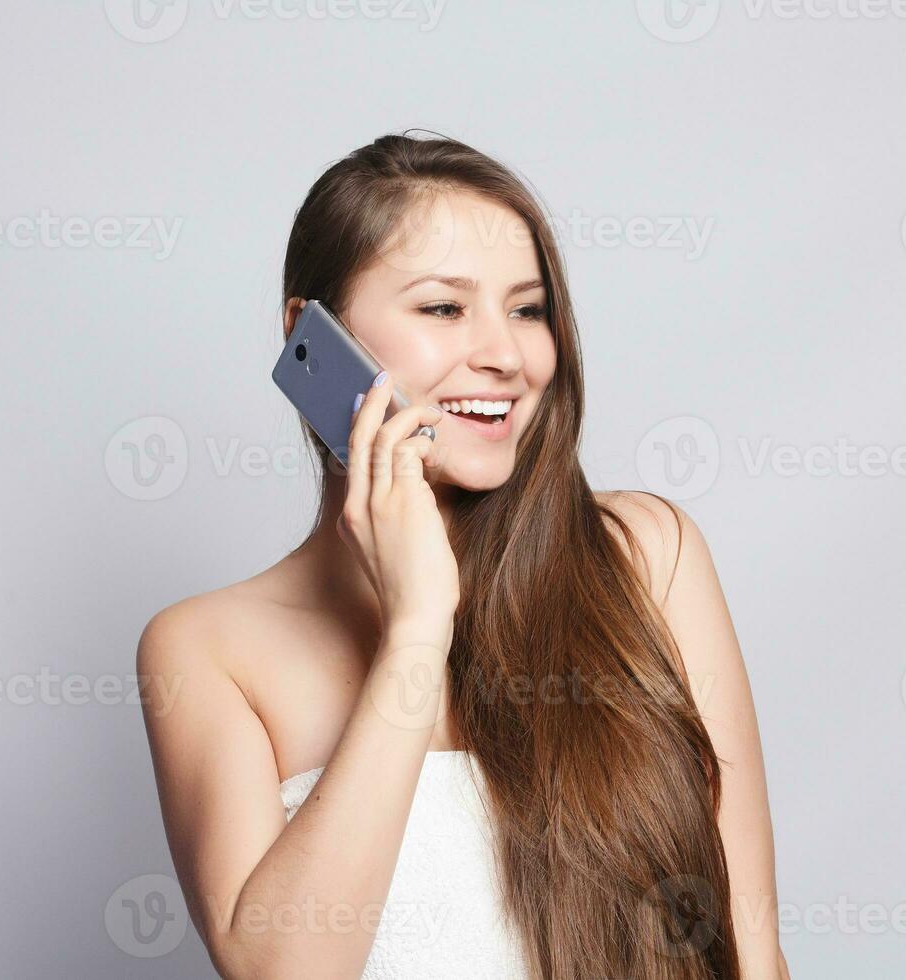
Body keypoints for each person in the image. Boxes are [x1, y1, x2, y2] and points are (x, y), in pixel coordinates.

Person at [138, 131, 790, 979]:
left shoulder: (647, 558)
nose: (508, 356)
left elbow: (753, 950)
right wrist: (417, 625)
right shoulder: (207, 649)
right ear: (312, 337)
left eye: (527, 309)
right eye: (444, 308)